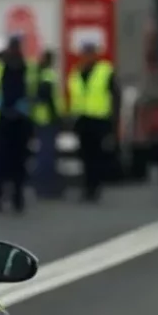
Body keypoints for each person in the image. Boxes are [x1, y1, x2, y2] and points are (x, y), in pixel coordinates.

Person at [0, 35, 34, 213]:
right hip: (0, 121)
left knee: (18, 163)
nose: (14, 50)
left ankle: (17, 199)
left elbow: (32, 92)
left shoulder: (28, 68)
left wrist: (24, 107)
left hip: (20, 122)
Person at [66, 40, 118, 202]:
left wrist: (114, 121)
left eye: (90, 53)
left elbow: (116, 96)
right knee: (85, 156)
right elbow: (74, 97)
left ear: (95, 55)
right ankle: (87, 187)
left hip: (99, 119)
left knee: (97, 156)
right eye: (85, 53)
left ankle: (94, 188)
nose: (87, 57)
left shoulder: (105, 71)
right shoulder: (76, 73)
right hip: (82, 120)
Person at [31, 49, 64, 199]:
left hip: (40, 119)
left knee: (43, 154)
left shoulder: (38, 75)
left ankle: (42, 185)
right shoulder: (47, 76)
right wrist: (57, 117)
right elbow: (50, 99)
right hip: (47, 120)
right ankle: (46, 186)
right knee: (47, 155)